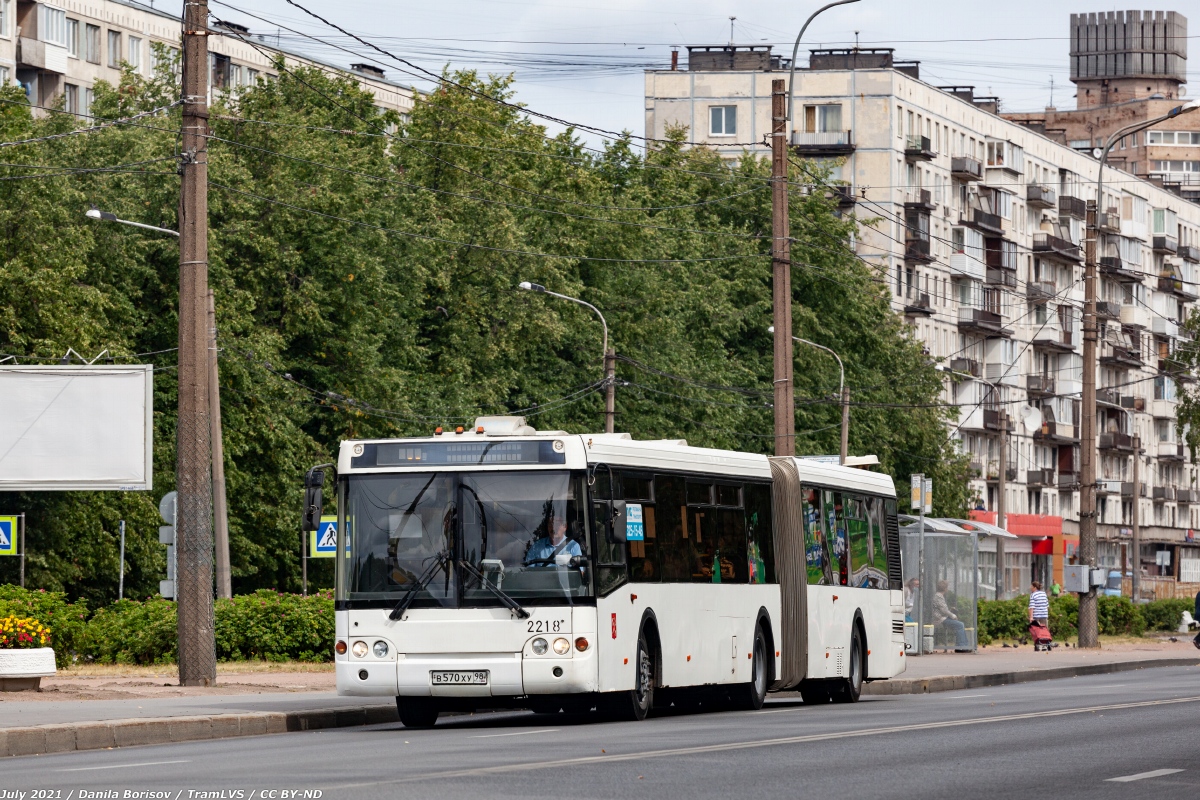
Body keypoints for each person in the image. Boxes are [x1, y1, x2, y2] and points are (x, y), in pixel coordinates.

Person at [932, 580, 970, 652]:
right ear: (945, 589)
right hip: (940, 620)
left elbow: (943, 609)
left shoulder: (939, 596)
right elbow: (944, 610)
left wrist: (950, 611)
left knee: (960, 624)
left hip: (943, 617)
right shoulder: (938, 596)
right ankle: (960, 647)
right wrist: (953, 615)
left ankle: (964, 645)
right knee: (960, 625)